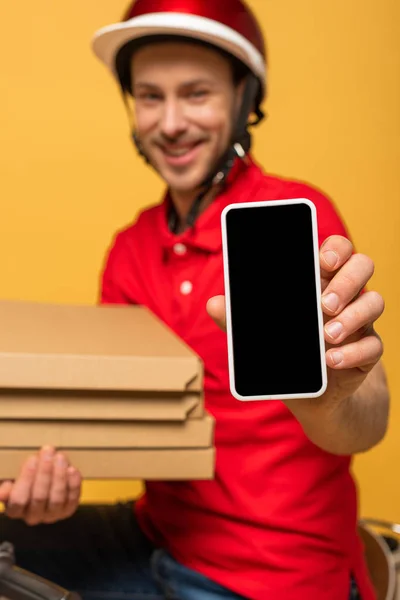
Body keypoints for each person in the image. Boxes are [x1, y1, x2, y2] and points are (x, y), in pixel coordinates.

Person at [0, 1, 389, 599]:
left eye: (197, 93)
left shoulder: (288, 223)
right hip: (155, 535)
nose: (171, 122)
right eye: (150, 96)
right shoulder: (130, 247)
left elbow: (366, 421)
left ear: (243, 97)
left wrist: (330, 397)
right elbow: (112, 423)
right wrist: (49, 479)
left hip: (273, 573)